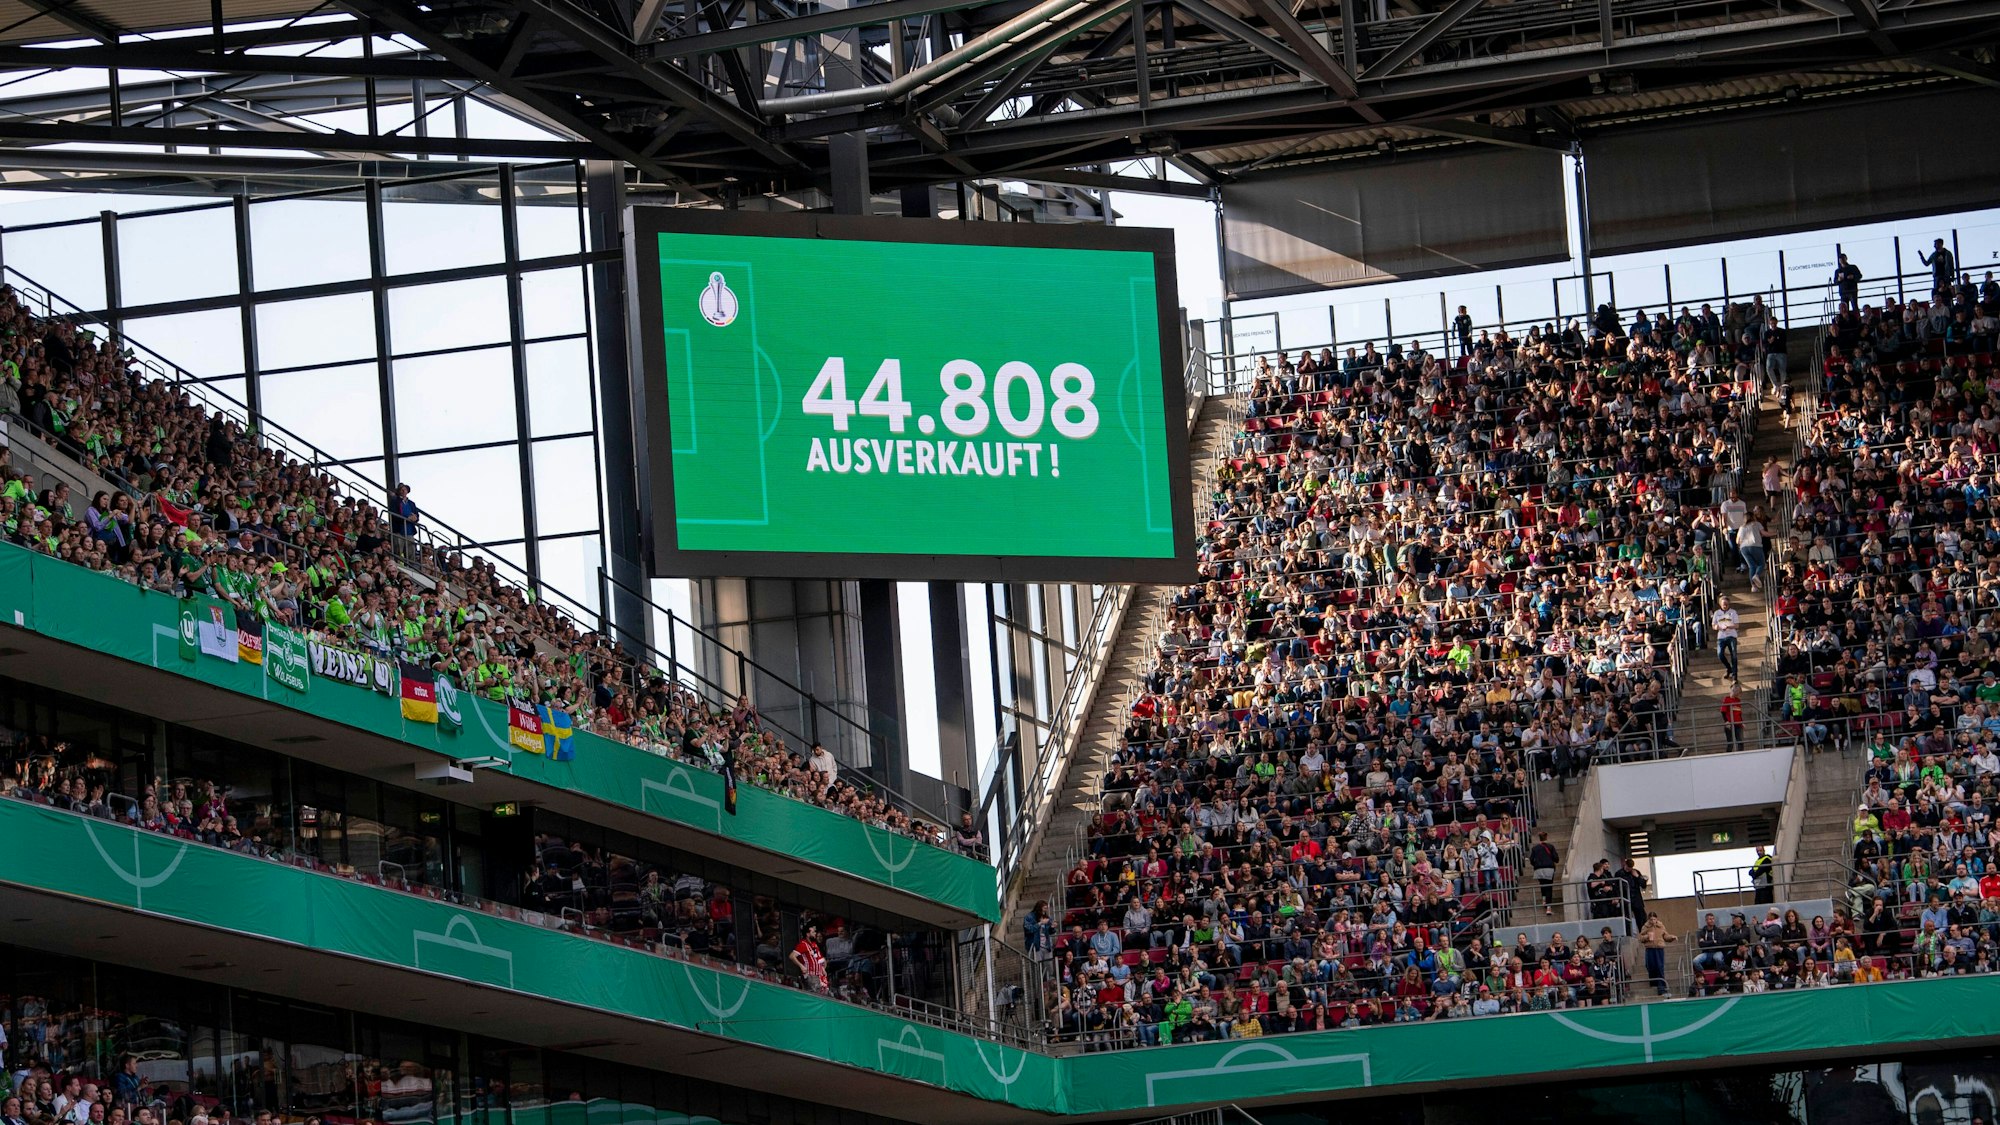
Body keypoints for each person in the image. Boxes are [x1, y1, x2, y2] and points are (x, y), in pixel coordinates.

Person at [1638, 911, 1677, 995]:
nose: (1653, 921)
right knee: (1650, 966)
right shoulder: (1645, 927)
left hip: (1659, 948)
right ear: (1648, 919)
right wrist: (1647, 936)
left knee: (1659, 967)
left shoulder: (1661, 926)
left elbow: (1665, 936)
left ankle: (1661, 987)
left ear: (1657, 919)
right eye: (1651, 919)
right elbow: (1640, 938)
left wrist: (1671, 938)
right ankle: (1653, 982)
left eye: (1654, 919)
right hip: (1650, 948)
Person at [1529, 832, 1561, 916]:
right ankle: (1549, 908)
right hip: (1549, 868)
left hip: (1539, 869)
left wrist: (1536, 865)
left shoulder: (1535, 848)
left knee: (1542, 884)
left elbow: (1531, 860)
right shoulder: (1550, 847)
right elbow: (1556, 859)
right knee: (1549, 887)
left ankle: (1544, 900)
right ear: (1546, 837)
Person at [790, 922, 830, 990]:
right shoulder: (803, 944)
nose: (815, 934)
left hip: (820, 977)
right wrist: (801, 966)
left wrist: (823, 968)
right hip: (811, 976)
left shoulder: (814, 945)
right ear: (808, 934)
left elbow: (818, 958)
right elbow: (792, 956)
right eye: (813, 932)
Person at [1713, 595, 1740, 680]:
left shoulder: (1733, 612)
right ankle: (1729, 668)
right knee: (1720, 654)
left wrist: (1729, 626)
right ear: (1720, 604)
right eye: (1723, 604)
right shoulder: (1717, 613)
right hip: (1721, 636)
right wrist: (1717, 627)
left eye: (1726, 604)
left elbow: (1737, 625)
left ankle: (1735, 674)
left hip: (1731, 635)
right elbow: (1713, 625)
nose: (1725, 606)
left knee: (1734, 654)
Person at [1720, 686, 1744, 753]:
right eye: (1737, 691)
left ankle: (1741, 756)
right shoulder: (1726, 699)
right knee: (1730, 743)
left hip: (1738, 724)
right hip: (1730, 724)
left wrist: (1742, 722)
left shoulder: (1738, 700)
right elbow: (1723, 711)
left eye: (1738, 692)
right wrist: (1726, 721)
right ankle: (1728, 757)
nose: (1738, 693)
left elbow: (1739, 713)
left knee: (1740, 741)